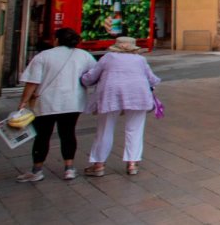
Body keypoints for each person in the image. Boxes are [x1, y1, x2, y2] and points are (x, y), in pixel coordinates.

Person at [15, 27, 96, 182]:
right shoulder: (84, 56)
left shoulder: (43, 56)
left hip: (46, 102)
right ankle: (69, 168)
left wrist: (24, 101)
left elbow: (32, 82)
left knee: (42, 136)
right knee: (68, 133)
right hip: (73, 101)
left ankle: (37, 170)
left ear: (57, 40)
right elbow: (93, 75)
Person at [81, 36, 161, 177]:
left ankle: (99, 164)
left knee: (105, 128)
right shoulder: (140, 60)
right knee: (135, 129)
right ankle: (132, 163)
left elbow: (91, 77)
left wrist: (83, 79)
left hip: (111, 95)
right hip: (138, 95)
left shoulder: (108, 57)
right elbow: (152, 78)